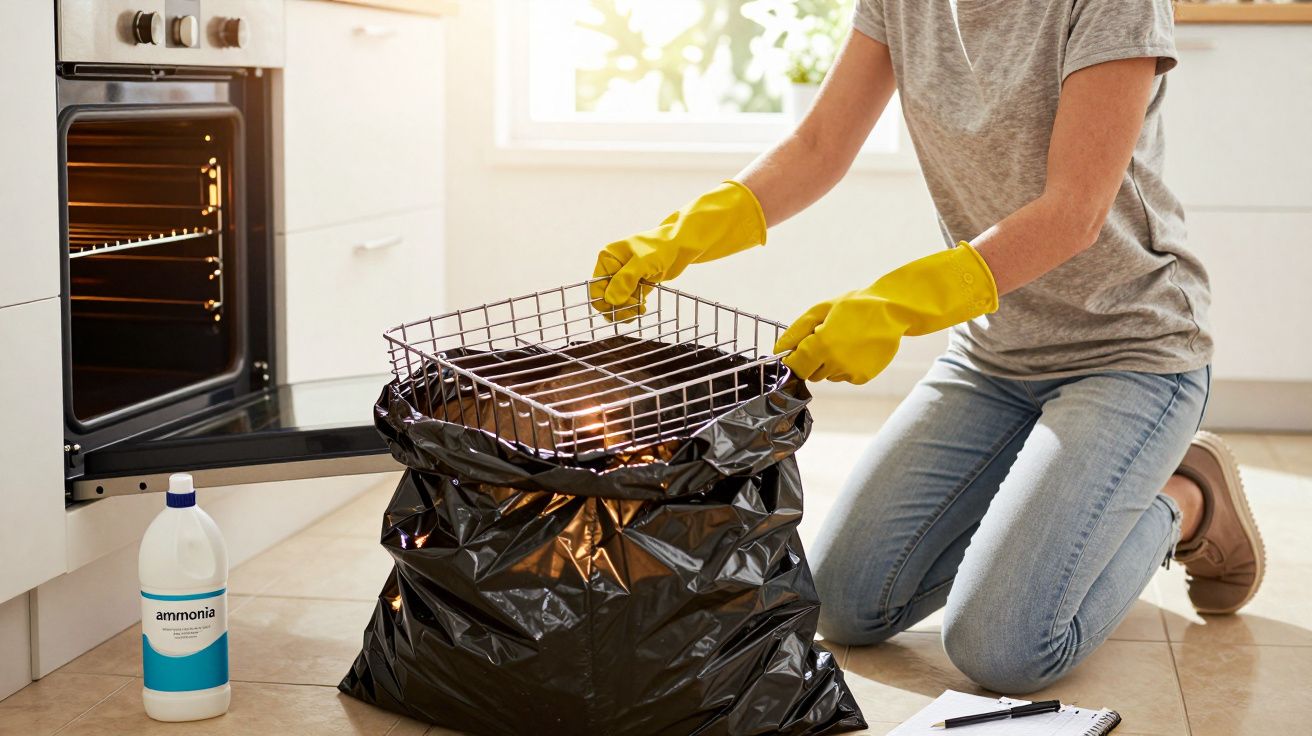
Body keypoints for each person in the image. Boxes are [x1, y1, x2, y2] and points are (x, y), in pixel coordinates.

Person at [587, 0, 1265, 694]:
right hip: (993, 357)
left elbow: (1074, 213)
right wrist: (689, 233)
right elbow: (820, 145)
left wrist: (893, 307)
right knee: (846, 602)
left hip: (1129, 350)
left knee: (1001, 648)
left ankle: (1184, 500)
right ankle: (1059, 503)